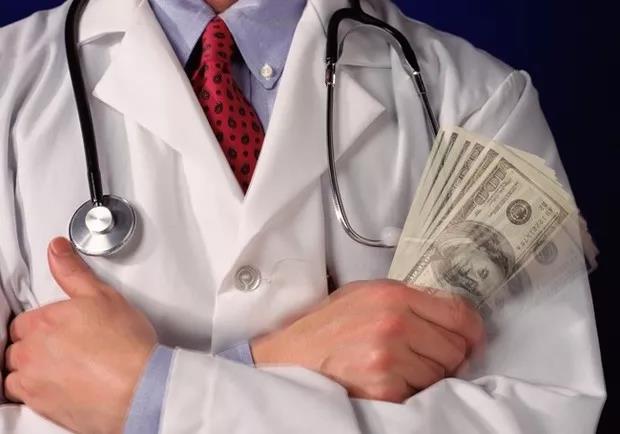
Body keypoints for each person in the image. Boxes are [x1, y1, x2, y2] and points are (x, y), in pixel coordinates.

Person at [0, 0, 605, 433]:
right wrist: (293, 364)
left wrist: (150, 398)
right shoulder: (10, 79)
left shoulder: (477, 101)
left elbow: (544, 415)